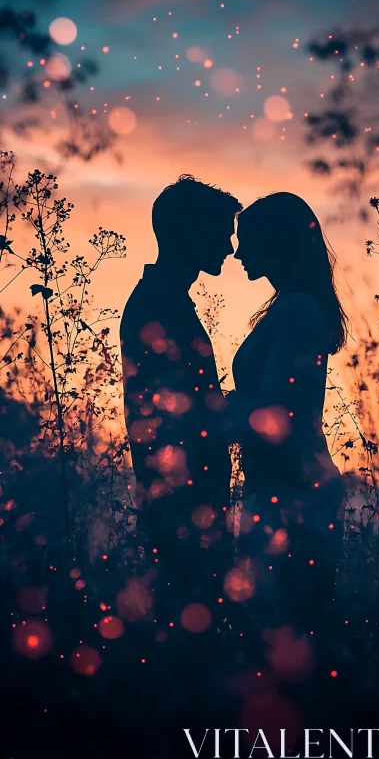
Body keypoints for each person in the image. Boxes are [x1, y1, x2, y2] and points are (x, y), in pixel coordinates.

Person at [120, 174, 242, 656]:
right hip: (182, 503)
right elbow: (180, 413)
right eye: (221, 231)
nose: (231, 247)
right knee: (192, 638)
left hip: (187, 499)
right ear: (190, 234)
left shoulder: (165, 301)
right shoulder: (159, 306)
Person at [228, 192, 348, 646]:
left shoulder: (297, 310)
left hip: (293, 495)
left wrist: (207, 408)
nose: (238, 253)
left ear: (276, 243)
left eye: (249, 242)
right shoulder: (292, 307)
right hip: (285, 488)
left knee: (283, 636)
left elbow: (271, 417)